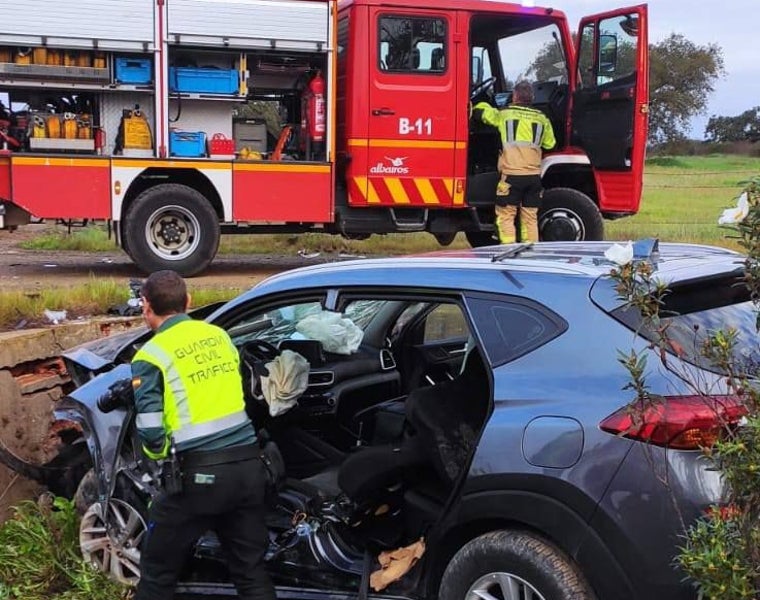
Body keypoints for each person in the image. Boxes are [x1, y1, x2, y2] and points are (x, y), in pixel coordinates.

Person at [131, 270, 276, 600]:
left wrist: (160, 460)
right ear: (189, 302)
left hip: (198, 479)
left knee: (157, 575)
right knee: (251, 573)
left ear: (145, 306)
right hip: (249, 468)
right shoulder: (219, 336)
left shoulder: (150, 356)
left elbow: (152, 431)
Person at [473, 80, 556, 243]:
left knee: (506, 216)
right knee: (530, 219)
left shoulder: (505, 114)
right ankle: (530, 254)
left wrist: (478, 105)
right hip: (533, 177)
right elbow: (550, 143)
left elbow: (485, 115)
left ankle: (508, 251)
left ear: (515, 96)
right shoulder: (542, 119)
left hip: (511, 176)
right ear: (531, 97)